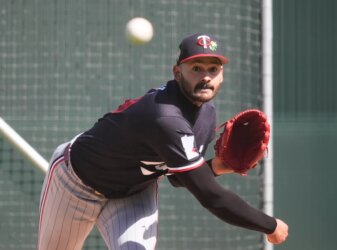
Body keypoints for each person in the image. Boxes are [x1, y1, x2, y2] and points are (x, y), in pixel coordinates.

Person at [38, 33, 288, 250]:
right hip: (76, 183)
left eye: (213, 69)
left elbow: (177, 178)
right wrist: (269, 225)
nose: (206, 77)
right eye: (196, 68)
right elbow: (212, 198)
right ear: (177, 72)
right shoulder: (165, 116)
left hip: (133, 193)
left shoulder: (206, 114)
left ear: (221, 75)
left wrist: (219, 166)